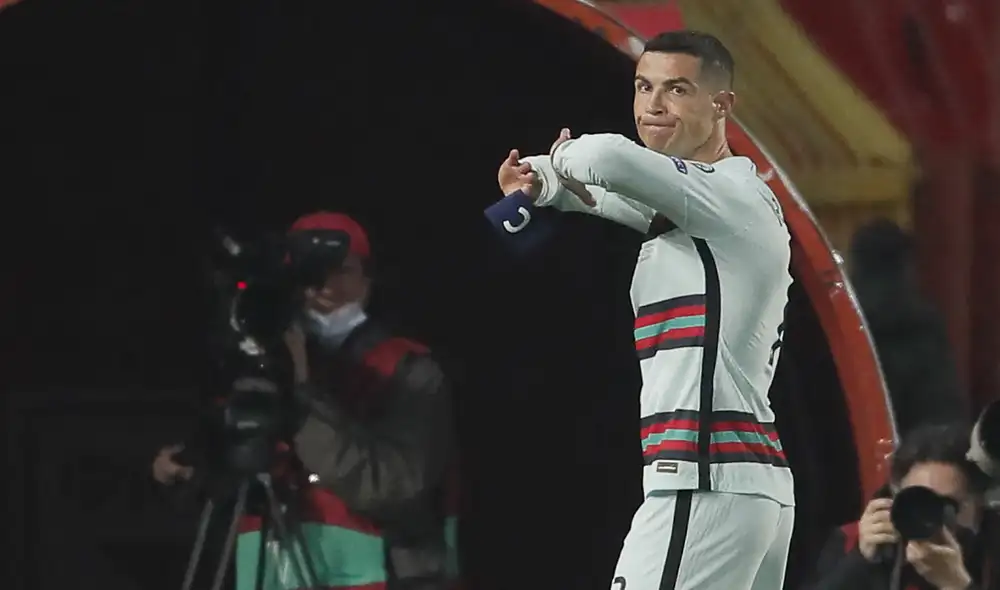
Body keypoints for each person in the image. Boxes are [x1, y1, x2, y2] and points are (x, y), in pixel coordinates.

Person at [497, 30, 794, 590]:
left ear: (722, 105)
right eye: (643, 87)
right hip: (743, 485)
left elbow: (606, 158)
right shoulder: (712, 206)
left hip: (703, 483)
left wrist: (559, 157)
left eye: (676, 89)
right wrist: (543, 186)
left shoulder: (726, 195)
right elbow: (616, 197)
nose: (653, 105)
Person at [152, 211, 459, 590]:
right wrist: (191, 468)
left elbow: (393, 486)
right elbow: (231, 487)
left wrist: (301, 397)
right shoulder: (266, 363)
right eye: (308, 273)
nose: (324, 286)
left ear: (368, 279)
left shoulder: (408, 369)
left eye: (341, 270)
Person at [803, 422, 998, 590]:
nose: (929, 517)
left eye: (946, 506)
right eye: (918, 501)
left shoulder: (992, 550)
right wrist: (859, 563)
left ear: (979, 506)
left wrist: (957, 584)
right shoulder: (852, 540)